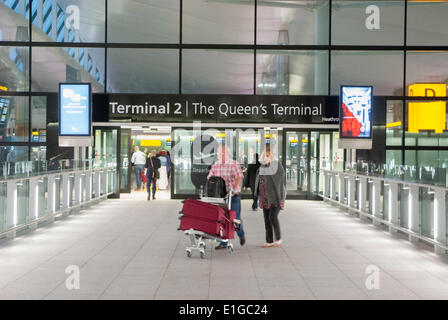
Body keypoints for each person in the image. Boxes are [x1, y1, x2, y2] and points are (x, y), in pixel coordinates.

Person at [207, 145, 246, 249]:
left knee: (235, 219)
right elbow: (210, 177)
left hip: (233, 196)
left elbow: (239, 177)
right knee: (222, 219)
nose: (221, 155)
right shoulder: (215, 165)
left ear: (228, 154)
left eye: (223, 153)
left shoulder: (234, 164)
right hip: (221, 197)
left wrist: (235, 186)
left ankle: (241, 234)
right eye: (219, 153)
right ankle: (223, 243)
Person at [254, 147, 286, 248]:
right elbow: (258, 180)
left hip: (276, 197)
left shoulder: (277, 166)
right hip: (265, 197)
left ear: (272, 156)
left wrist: (281, 199)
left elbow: (280, 183)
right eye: (265, 156)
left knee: (272, 217)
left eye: (268, 156)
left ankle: (278, 238)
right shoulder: (262, 167)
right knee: (266, 219)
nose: (266, 157)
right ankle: (269, 241)